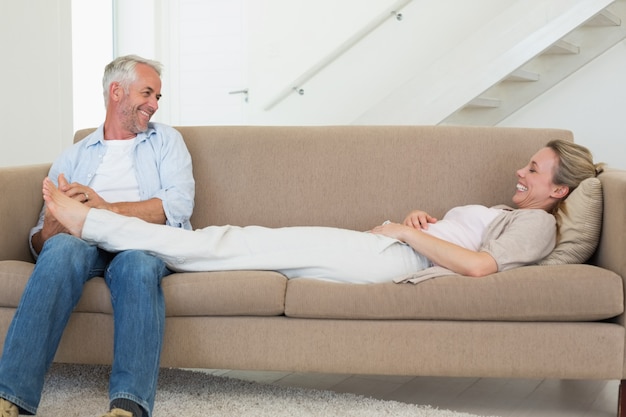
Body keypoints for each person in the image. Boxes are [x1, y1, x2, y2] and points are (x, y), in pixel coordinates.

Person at [40, 140, 601, 287]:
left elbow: (479, 269)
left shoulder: (538, 224)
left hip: (389, 256)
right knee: (236, 246)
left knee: (232, 241)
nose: (521, 173)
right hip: (389, 246)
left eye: (534, 169)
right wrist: (427, 222)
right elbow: (469, 244)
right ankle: (103, 231)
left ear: (559, 189)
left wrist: (408, 233)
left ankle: (93, 224)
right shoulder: (513, 211)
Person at [0, 55, 194, 417]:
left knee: (137, 266)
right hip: (83, 243)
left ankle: (128, 406)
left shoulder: (166, 141)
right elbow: (39, 241)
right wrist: (52, 229)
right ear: (116, 92)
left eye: (158, 97)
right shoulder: (74, 156)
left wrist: (101, 210)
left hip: (141, 242)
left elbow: (177, 206)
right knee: (59, 250)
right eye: (148, 93)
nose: (154, 104)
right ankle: (11, 399)